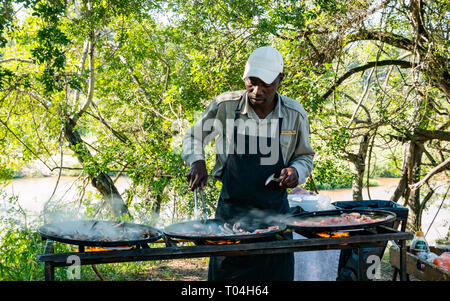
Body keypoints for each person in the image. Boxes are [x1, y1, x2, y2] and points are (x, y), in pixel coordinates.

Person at [181, 46, 315, 281]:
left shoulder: (294, 113)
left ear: (280, 80)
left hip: (275, 217)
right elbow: (194, 137)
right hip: (231, 215)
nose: (256, 91)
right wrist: (197, 161)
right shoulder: (225, 106)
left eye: (265, 85)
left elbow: (304, 156)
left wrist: (296, 171)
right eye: (251, 83)